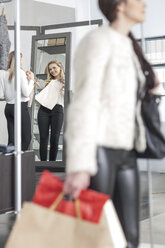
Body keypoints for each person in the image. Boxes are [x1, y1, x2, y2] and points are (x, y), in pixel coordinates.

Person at [63, 0, 157, 247]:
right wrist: (80, 164)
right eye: (137, 0)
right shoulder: (97, 41)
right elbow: (84, 103)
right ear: (121, 6)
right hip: (99, 150)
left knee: (129, 237)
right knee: (96, 237)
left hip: (126, 149)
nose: (144, 3)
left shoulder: (128, 45)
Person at [0, 51, 34, 151]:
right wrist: (31, 80)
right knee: (26, 138)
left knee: (12, 141)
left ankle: (9, 165)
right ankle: (19, 164)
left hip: (8, 108)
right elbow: (26, 93)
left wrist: (11, 96)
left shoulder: (4, 74)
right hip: (20, 107)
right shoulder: (20, 72)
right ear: (20, 60)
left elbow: (1, 95)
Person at [37, 60, 65, 161]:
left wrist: (65, 85)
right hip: (43, 110)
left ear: (60, 67)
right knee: (43, 138)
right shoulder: (49, 82)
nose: (52, 71)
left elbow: (69, 98)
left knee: (55, 138)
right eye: (50, 69)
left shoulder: (66, 82)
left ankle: (52, 164)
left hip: (57, 109)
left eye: (54, 68)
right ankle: (43, 164)